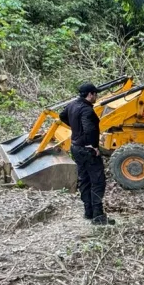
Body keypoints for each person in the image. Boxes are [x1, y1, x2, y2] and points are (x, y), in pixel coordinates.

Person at [60, 83, 115, 226]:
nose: (96, 96)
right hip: (87, 150)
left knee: (84, 179)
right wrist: (94, 146)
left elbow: (62, 116)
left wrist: (75, 128)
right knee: (97, 181)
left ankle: (88, 211)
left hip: (75, 148)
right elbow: (90, 129)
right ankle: (98, 216)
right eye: (95, 94)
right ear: (90, 94)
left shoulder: (72, 105)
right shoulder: (87, 110)